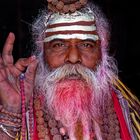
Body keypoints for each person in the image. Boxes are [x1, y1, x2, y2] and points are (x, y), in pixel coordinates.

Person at [0, 0, 139, 140]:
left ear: (103, 52)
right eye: (59, 44)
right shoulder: (20, 100)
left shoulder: (125, 104)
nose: (73, 58)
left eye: (86, 44)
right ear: (41, 53)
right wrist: (11, 113)